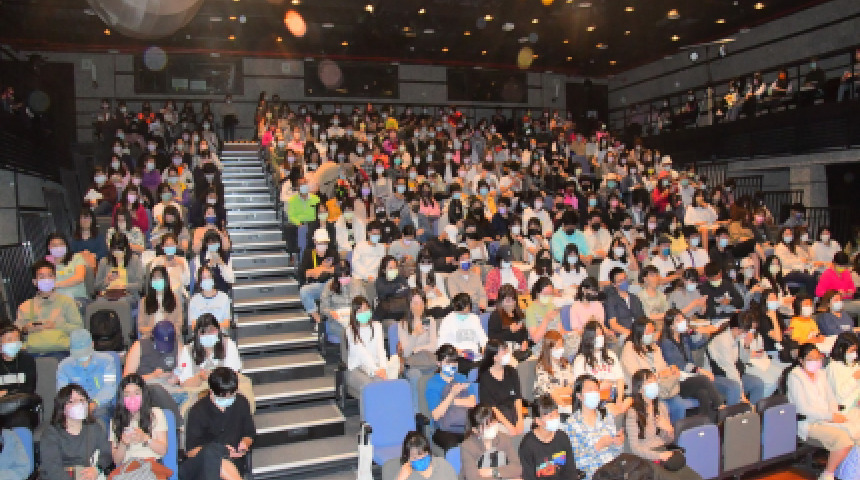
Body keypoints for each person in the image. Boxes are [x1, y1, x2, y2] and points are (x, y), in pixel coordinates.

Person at [787, 344, 860, 480]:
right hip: (809, 423)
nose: (815, 361)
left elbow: (831, 398)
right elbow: (803, 408)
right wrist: (829, 416)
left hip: (827, 418)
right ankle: (828, 473)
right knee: (843, 439)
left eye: (817, 358)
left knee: (855, 431)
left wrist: (834, 414)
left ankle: (848, 471)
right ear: (801, 360)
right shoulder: (795, 377)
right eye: (811, 358)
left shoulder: (821, 374)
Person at [624, 369, 703, 480]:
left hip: (664, 453)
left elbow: (668, 441)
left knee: (696, 477)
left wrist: (669, 429)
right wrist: (659, 456)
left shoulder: (661, 407)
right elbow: (635, 448)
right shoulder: (633, 413)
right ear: (640, 389)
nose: (653, 385)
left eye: (654, 381)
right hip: (647, 458)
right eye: (649, 382)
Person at [658, 309, 735, 422]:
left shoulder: (683, 337)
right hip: (677, 381)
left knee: (703, 393)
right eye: (678, 320)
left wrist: (692, 331)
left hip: (689, 377)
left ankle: (704, 423)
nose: (683, 321)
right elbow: (679, 366)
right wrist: (700, 370)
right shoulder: (666, 343)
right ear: (671, 326)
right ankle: (721, 407)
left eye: (683, 319)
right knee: (703, 379)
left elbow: (701, 341)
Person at [181, 367, 255, 480]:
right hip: (204, 467)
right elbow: (191, 452)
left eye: (232, 395)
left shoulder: (241, 402)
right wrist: (222, 451)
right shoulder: (198, 411)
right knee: (212, 453)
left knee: (219, 458)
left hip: (234, 462)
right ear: (211, 391)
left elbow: (249, 433)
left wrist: (244, 444)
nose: (228, 399)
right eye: (223, 396)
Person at [39, 384, 112, 480]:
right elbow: (53, 469)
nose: (79, 404)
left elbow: (107, 454)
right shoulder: (51, 434)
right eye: (72, 401)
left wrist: (96, 469)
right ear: (62, 408)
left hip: (85, 475)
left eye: (82, 400)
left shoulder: (94, 428)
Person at [707, 312, 783, 404]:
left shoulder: (736, 337)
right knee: (735, 387)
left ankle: (753, 410)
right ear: (736, 329)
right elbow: (730, 369)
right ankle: (734, 412)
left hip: (730, 374)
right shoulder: (723, 341)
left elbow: (744, 360)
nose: (746, 333)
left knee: (758, 383)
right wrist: (742, 394)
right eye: (745, 331)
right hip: (715, 376)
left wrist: (746, 345)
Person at [15, 260, 83, 355]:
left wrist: (56, 326)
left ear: (55, 278)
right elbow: (15, 334)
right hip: (34, 352)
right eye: (42, 277)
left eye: (50, 276)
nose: (46, 280)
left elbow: (79, 329)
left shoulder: (67, 302)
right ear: (34, 282)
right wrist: (26, 329)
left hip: (62, 350)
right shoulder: (25, 306)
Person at [565, 375, 625, 480]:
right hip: (592, 475)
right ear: (579, 395)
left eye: (597, 389)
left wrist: (618, 444)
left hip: (613, 472)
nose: (594, 392)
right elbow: (575, 462)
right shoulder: (571, 424)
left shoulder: (606, 416)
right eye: (590, 389)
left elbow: (616, 454)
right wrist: (597, 446)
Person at [56, 329, 118, 422]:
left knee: (100, 417)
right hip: (74, 405)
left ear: (92, 344)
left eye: (84, 352)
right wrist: (77, 404)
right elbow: (63, 393)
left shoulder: (107, 361)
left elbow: (109, 388)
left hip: (101, 404)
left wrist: (94, 403)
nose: (82, 357)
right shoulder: (64, 366)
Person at [425, 344, 478, 451]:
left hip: (464, 426)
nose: (452, 365)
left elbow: (472, 402)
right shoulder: (433, 383)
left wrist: (448, 402)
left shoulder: (462, 378)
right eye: (448, 362)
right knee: (453, 446)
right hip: (443, 430)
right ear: (439, 363)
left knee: (479, 442)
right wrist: (452, 394)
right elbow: (436, 415)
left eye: (454, 362)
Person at [344, 296, 391, 417]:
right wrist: (376, 370)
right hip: (356, 369)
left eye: (366, 309)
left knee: (381, 383)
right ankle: (366, 424)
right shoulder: (350, 330)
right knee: (369, 387)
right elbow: (362, 354)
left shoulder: (377, 326)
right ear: (354, 313)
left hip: (376, 367)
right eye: (360, 310)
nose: (363, 313)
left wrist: (383, 368)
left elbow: (381, 349)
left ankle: (381, 419)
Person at [109, 374, 168, 466]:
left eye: (136, 393)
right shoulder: (116, 421)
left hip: (151, 465)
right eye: (127, 395)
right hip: (128, 467)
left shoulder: (155, 414)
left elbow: (163, 450)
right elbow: (116, 460)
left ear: (143, 394)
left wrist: (145, 438)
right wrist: (123, 443)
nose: (132, 398)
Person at [518, 395, 579, 480]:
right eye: (551, 416)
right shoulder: (527, 445)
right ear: (538, 421)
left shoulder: (562, 437)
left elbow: (570, 472)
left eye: (556, 414)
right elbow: (529, 477)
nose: (555, 418)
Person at [178, 313, 242, 390]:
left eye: (211, 330)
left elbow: (233, 376)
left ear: (218, 330)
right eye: (203, 332)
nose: (207, 334)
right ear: (197, 334)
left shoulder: (228, 344)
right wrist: (200, 378)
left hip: (223, 389)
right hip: (197, 392)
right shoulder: (187, 350)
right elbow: (184, 383)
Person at [459, 404, 523, 480]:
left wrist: (492, 471)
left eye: (493, 422)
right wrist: (504, 474)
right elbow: (473, 478)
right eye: (487, 426)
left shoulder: (503, 438)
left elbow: (517, 468)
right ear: (475, 430)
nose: (492, 427)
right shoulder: (467, 447)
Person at [478, 340, 524, 435]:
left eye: (507, 351)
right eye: (504, 352)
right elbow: (492, 407)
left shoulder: (512, 371)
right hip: (497, 419)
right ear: (495, 357)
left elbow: (518, 398)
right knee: (505, 434)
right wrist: (509, 426)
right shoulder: (485, 377)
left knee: (534, 427)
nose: (508, 354)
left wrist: (520, 420)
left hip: (514, 414)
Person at [298, 229, 339, 330]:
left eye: (324, 243)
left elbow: (338, 269)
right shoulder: (308, 254)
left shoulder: (333, 253)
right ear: (314, 242)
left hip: (331, 284)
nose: (322, 245)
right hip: (317, 286)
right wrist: (321, 268)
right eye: (320, 243)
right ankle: (318, 320)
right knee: (304, 291)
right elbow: (304, 273)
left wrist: (322, 270)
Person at [437, 293, 488, 373]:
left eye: (466, 311)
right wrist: (457, 351)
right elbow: (441, 344)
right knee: (471, 368)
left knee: (488, 365)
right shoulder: (448, 320)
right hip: (457, 356)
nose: (464, 314)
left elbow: (483, 338)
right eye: (461, 312)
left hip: (474, 355)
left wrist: (484, 348)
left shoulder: (474, 318)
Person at [487, 284, 531, 361]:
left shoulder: (518, 313)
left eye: (513, 300)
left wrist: (525, 341)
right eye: (508, 301)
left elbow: (524, 332)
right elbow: (492, 337)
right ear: (501, 301)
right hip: (504, 352)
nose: (511, 303)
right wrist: (510, 331)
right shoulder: (496, 315)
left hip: (519, 350)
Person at [137, 265, 182, 338]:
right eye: (154, 278)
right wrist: (153, 331)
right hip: (150, 337)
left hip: (170, 337)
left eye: (159, 277)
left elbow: (178, 323)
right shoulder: (144, 301)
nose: (157, 280)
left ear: (165, 280)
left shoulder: (175, 299)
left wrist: (167, 333)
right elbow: (141, 326)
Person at [392, 431, 458, 480]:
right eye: (415, 457)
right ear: (407, 457)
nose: (420, 458)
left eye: (423, 454)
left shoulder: (442, 464)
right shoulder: (405, 474)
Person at [45, 234, 88, 305]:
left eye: (61, 244)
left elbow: (80, 278)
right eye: (55, 245)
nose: (58, 247)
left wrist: (56, 285)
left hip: (76, 298)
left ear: (66, 245)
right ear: (49, 247)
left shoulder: (76, 257)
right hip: (55, 300)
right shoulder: (46, 263)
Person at [604, 267, 644, 341]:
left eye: (625, 279)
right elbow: (613, 325)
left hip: (638, 333)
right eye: (620, 281)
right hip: (622, 335)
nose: (624, 282)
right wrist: (631, 334)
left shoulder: (635, 298)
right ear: (614, 284)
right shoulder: (611, 301)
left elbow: (642, 319)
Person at [188, 265, 232, 331]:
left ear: (213, 279)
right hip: (201, 334)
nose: (207, 280)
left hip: (220, 333)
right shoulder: (194, 300)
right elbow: (193, 324)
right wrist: (206, 330)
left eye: (209, 277)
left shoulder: (224, 297)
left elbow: (227, 323)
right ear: (199, 281)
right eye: (204, 278)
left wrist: (213, 329)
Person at [825, 332, 860, 409]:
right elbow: (840, 394)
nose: (855, 354)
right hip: (844, 406)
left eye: (856, 350)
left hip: (856, 401)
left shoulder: (854, 363)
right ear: (841, 349)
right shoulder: (834, 367)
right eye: (852, 351)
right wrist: (854, 378)